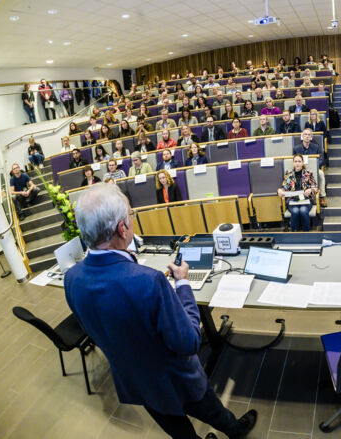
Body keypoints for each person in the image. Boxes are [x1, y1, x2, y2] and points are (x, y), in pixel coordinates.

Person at [66, 184, 257, 438]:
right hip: (177, 379)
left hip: (137, 383)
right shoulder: (148, 281)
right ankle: (236, 431)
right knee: (215, 414)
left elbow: (96, 325)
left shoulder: (71, 278)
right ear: (122, 229)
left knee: (180, 433)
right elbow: (189, 341)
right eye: (130, 216)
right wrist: (182, 283)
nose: (131, 221)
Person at [277, 154, 318, 231]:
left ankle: (307, 234)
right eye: (295, 161)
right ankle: (294, 234)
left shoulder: (308, 174)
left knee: (303, 210)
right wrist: (279, 190)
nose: (297, 163)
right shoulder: (288, 174)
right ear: (293, 163)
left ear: (302, 163)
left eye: (299, 161)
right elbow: (284, 187)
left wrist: (311, 190)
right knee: (295, 211)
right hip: (292, 201)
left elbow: (315, 188)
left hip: (306, 200)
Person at [292, 128, 327, 206]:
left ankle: (322, 197)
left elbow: (321, 160)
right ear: (302, 136)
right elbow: (294, 161)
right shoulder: (296, 148)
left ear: (311, 137)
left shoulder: (316, 147)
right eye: (305, 134)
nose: (307, 136)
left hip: (313, 168)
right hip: (300, 170)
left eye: (309, 135)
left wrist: (314, 166)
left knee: (321, 173)